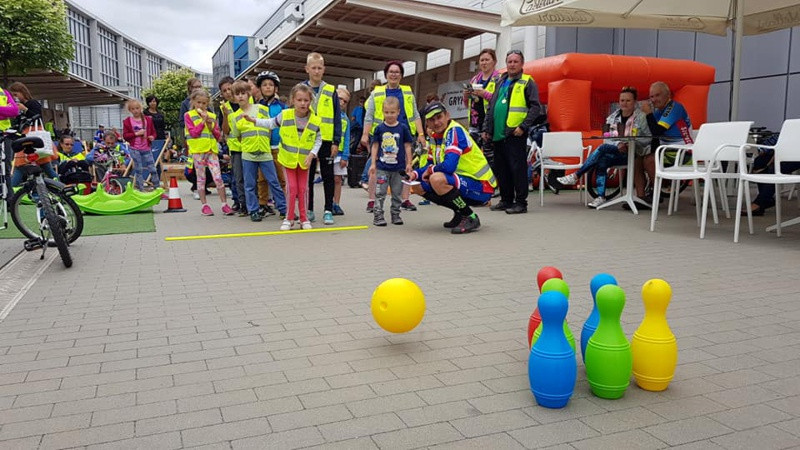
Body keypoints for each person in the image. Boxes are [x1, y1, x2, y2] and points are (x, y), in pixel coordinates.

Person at [409, 102, 496, 234]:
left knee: (437, 179)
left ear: (447, 115)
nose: (437, 122)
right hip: (462, 181)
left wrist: (430, 171)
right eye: (432, 120)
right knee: (416, 186)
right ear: (427, 123)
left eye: (439, 117)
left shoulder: (454, 131)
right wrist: (414, 174)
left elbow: (448, 167)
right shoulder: (435, 137)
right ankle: (459, 212)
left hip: (482, 185)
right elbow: (429, 165)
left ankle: (470, 217)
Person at [557, 86, 651, 208]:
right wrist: (618, 144)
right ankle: (600, 196)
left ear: (634, 102)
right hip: (616, 152)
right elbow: (606, 138)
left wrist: (632, 143)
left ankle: (577, 175)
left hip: (634, 153)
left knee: (602, 150)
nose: (624, 103)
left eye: (628, 100)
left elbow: (648, 138)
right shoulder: (612, 117)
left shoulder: (641, 117)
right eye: (622, 100)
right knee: (602, 158)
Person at [246, 83, 322, 231]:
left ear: (310, 101)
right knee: (291, 188)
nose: (303, 103)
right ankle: (289, 218)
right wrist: (254, 121)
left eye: (306, 100)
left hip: (304, 161)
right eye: (299, 100)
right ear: (292, 100)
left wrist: (313, 154)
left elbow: (319, 139)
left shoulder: (314, 120)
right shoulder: (285, 115)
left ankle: (304, 218)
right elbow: (270, 123)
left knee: (303, 189)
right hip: (288, 159)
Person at [361, 61, 426, 213]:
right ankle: (372, 200)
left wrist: (421, 134)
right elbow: (369, 116)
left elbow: (415, 114)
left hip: (403, 134)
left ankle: (405, 199)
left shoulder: (408, 92)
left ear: (401, 75)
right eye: (391, 72)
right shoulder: (376, 92)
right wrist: (365, 134)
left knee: (405, 167)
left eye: (397, 72)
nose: (394, 74)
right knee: (375, 166)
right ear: (386, 75)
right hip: (381, 134)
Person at [482, 49, 542, 215]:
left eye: (516, 61)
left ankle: (521, 203)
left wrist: (523, 127)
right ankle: (506, 199)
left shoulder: (527, 82)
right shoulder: (500, 81)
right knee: (502, 169)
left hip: (514, 133)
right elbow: (491, 107)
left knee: (518, 169)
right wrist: (487, 129)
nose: (512, 64)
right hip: (497, 134)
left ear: (522, 64)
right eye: (510, 61)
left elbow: (535, 107)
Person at [229, 80, 286, 222]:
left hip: (265, 152)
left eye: (243, 93)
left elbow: (269, 125)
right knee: (250, 184)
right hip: (248, 154)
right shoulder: (235, 116)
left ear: (249, 94)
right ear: (234, 97)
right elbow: (237, 135)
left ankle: (284, 209)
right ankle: (253, 210)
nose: (241, 96)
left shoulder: (261, 109)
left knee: (274, 181)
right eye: (237, 94)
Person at [303, 52, 341, 225]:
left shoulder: (331, 90)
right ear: (307, 69)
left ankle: (328, 209)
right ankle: (309, 209)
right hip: (307, 139)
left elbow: (337, 117)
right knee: (308, 177)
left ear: (324, 69)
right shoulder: (301, 90)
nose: (316, 71)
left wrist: (336, 141)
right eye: (313, 68)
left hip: (326, 140)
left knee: (328, 176)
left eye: (319, 68)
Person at [638, 81, 693, 200]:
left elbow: (657, 131)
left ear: (668, 95)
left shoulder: (674, 107)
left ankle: (655, 194)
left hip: (684, 152)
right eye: (651, 96)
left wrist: (648, 114)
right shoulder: (659, 112)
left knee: (649, 160)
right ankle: (641, 196)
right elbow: (651, 133)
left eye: (657, 95)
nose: (653, 99)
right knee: (637, 157)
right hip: (668, 149)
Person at [184, 89, 233, 216]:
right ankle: (204, 205)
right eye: (198, 102)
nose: (201, 105)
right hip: (198, 151)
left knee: (218, 177)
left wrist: (211, 125)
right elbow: (194, 133)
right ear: (193, 102)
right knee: (201, 179)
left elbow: (218, 136)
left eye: (204, 103)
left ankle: (224, 204)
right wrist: (202, 122)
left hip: (212, 151)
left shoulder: (212, 116)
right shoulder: (188, 115)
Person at [368, 96, 413, 226]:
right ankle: (378, 214)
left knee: (397, 193)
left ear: (398, 111)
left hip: (399, 168)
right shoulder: (379, 129)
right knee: (380, 192)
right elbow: (375, 145)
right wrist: (373, 163)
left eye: (392, 112)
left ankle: (395, 214)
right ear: (382, 111)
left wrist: (409, 163)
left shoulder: (403, 128)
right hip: (382, 167)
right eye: (386, 112)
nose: (389, 115)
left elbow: (407, 146)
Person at [464, 48, 500, 163]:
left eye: (487, 60)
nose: (484, 63)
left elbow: (499, 101)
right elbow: (467, 104)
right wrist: (466, 95)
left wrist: (484, 94)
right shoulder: (474, 79)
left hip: (490, 124)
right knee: (473, 156)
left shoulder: (498, 79)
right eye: (482, 60)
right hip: (474, 123)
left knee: (490, 157)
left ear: (494, 62)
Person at [218, 76, 246, 214]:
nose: (228, 92)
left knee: (252, 177)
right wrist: (225, 115)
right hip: (235, 147)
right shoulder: (225, 108)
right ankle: (238, 202)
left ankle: (257, 202)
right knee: (237, 177)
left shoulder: (247, 101)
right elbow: (225, 131)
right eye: (224, 91)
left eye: (230, 89)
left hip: (250, 144)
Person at [122, 99, 159, 191]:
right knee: (138, 170)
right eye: (133, 109)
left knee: (152, 169)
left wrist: (152, 137)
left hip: (146, 148)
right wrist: (136, 134)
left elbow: (154, 132)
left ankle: (157, 188)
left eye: (137, 108)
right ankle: (141, 189)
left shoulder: (148, 120)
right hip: (135, 149)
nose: (135, 110)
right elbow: (125, 136)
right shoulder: (127, 121)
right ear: (130, 110)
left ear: (141, 108)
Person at [333, 87, 350, 216]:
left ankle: (336, 203)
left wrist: (345, 155)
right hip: (329, 153)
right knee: (329, 180)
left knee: (338, 179)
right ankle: (328, 203)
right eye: (339, 99)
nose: (342, 103)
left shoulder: (346, 119)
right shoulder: (328, 116)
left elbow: (347, 137)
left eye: (345, 101)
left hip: (340, 154)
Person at [143, 95, 167, 175]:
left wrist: (165, 138)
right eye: (151, 101)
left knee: (158, 157)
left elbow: (163, 126)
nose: (153, 103)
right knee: (150, 157)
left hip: (160, 137)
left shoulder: (160, 114)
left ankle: (158, 175)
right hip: (149, 137)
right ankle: (148, 175)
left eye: (154, 101)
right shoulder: (145, 113)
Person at [179, 77, 204, 151]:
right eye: (195, 87)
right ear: (190, 88)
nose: (198, 89)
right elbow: (181, 122)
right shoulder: (185, 103)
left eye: (199, 86)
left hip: (204, 137)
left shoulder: (205, 101)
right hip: (193, 137)